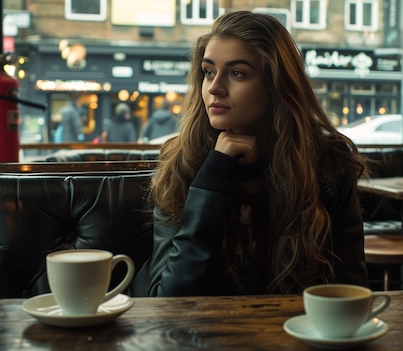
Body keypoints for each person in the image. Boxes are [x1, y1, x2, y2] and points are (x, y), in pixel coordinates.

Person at [132, 11, 369, 297]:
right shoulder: (182, 162)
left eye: (237, 73)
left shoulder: (327, 165)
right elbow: (165, 299)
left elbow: (351, 291)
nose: (215, 87)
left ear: (276, 85)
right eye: (208, 72)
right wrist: (212, 179)